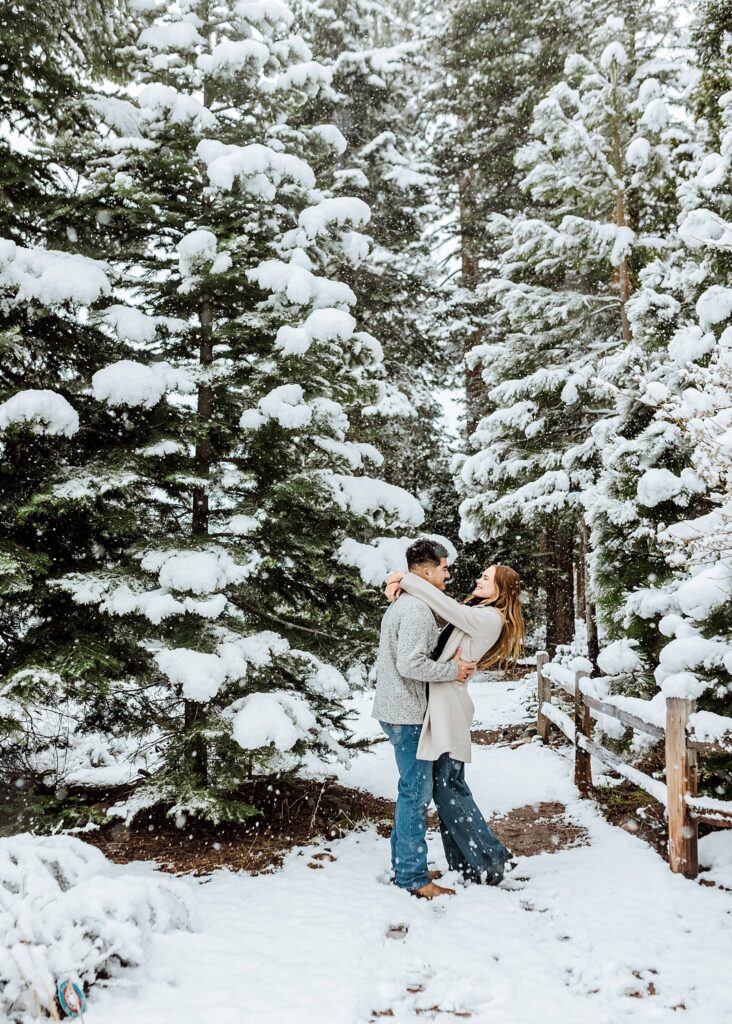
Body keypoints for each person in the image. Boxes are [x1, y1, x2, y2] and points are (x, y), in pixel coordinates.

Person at [384, 557, 525, 888]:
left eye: (487, 578)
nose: (479, 580)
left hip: (451, 709)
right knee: (445, 788)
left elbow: (442, 604)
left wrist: (405, 578)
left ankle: (488, 859)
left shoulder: (489, 617)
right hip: (442, 706)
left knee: (449, 787)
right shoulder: (478, 615)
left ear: (501, 590)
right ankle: (466, 862)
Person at [372, 539, 477, 899]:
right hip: (406, 712)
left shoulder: (408, 602)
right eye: (444, 568)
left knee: (412, 791)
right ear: (427, 571)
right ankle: (414, 878)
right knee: (416, 794)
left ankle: (405, 864)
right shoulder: (416, 610)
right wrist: (454, 671)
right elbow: (410, 664)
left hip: (400, 709)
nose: (448, 574)